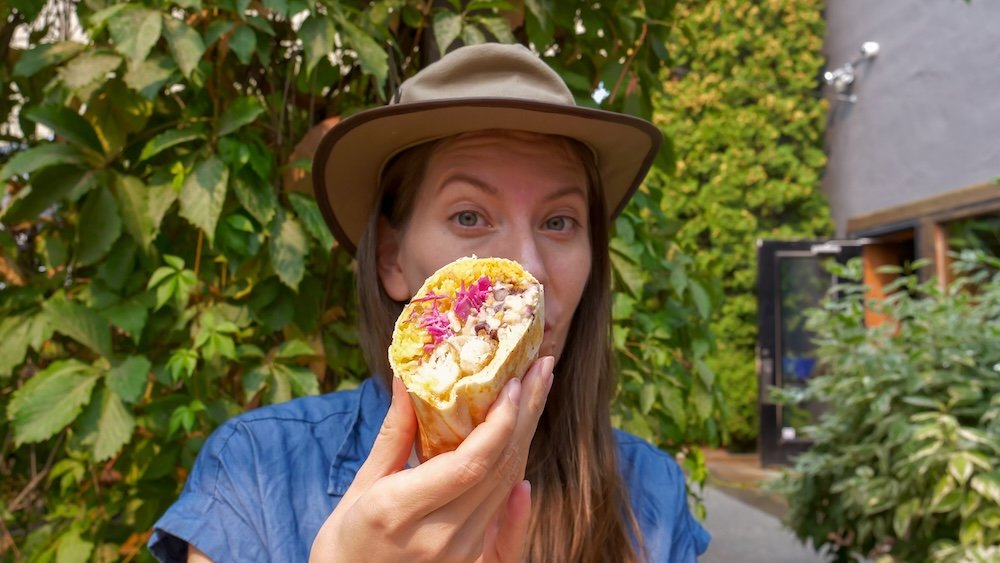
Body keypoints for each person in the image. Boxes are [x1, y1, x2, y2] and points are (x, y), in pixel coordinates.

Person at [148, 42, 710, 562]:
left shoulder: (650, 498)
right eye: (469, 216)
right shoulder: (255, 470)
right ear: (391, 259)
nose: (529, 272)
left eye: (559, 222)